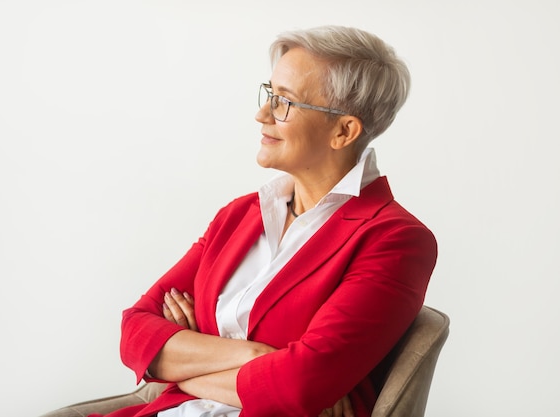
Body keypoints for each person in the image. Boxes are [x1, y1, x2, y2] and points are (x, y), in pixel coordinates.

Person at [90, 25, 437, 417]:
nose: (262, 114)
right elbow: (135, 333)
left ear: (343, 131)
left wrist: (183, 367)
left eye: (284, 101)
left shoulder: (394, 240)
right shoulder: (238, 215)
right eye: (269, 94)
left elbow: (298, 386)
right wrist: (255, 356)